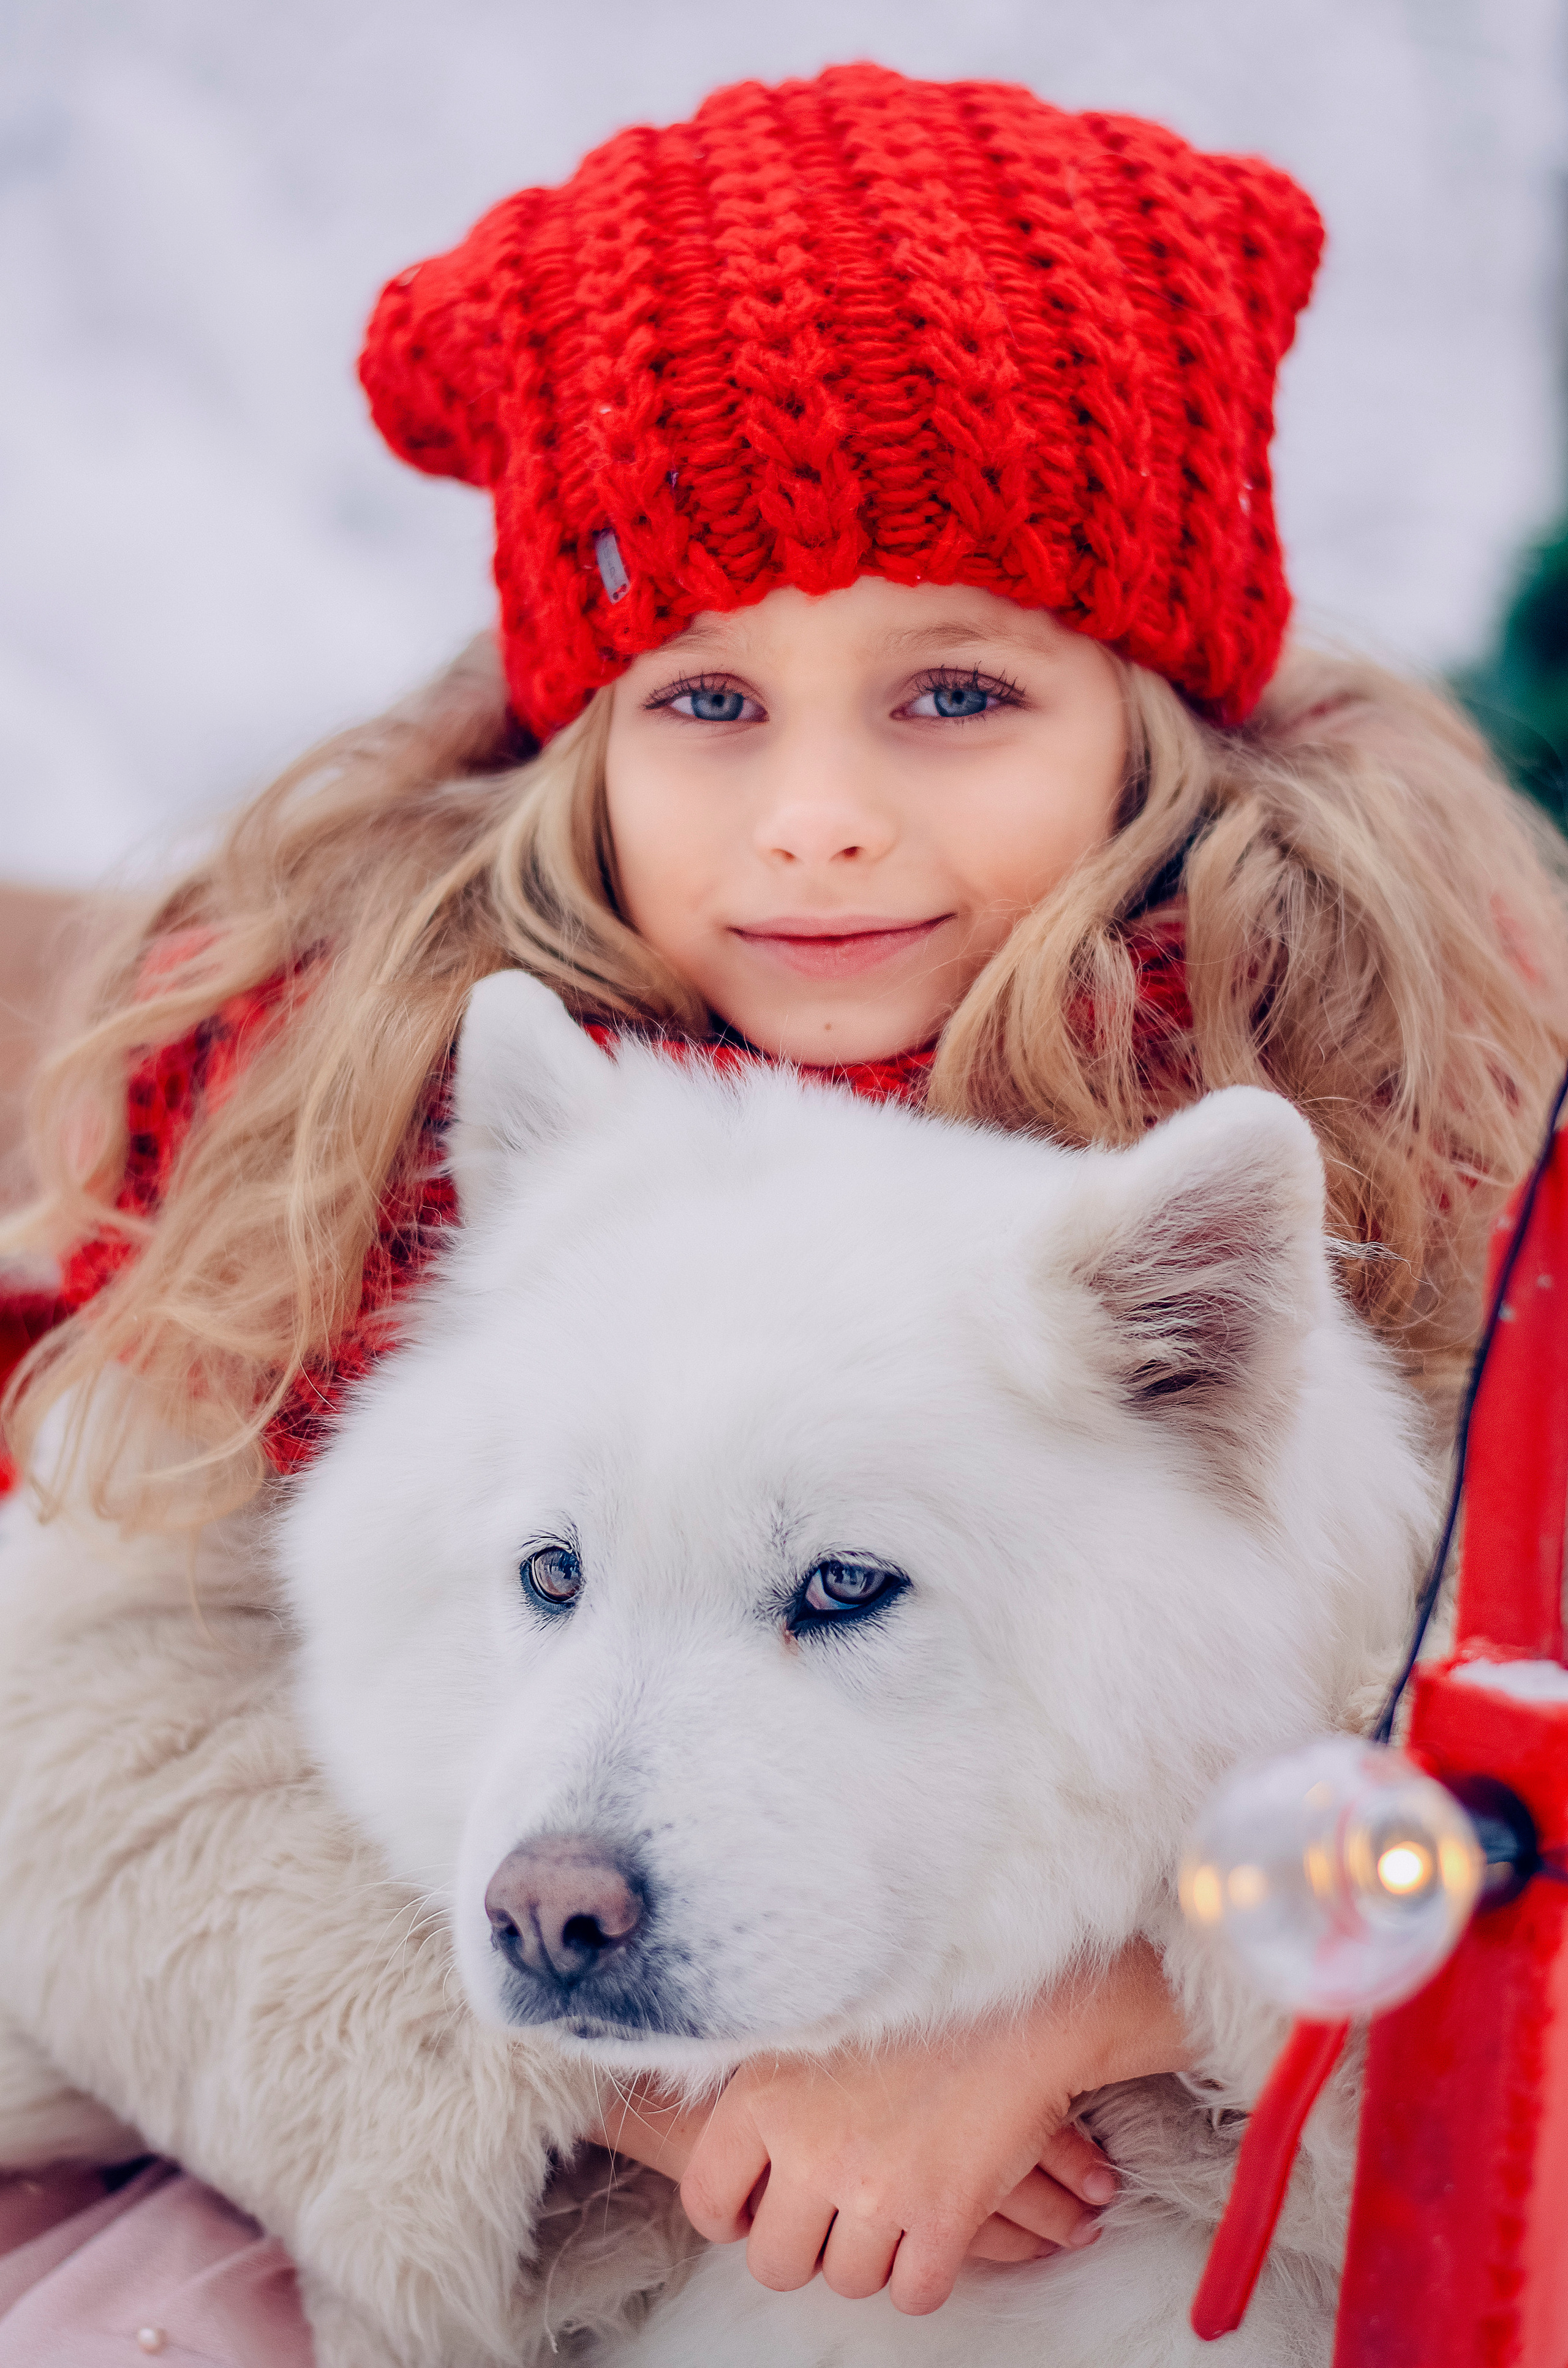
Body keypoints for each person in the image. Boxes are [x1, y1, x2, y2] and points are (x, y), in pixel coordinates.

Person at [2, 59, 1565, 2368]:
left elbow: (1476, 1755)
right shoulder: (348, 1115)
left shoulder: (1403, 1127)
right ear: (582, 737)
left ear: (1154, 714)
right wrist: (639, 2080)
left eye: (954, 689)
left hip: (1188, 2235)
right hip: (502, 2234)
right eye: (709, 696)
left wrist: (1105, 2003)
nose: (816, 817)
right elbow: (84, 1738)